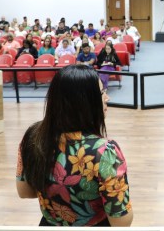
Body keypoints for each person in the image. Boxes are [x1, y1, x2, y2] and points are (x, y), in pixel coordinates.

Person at [16, 65, 133, 226]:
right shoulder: (105, 151)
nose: (107, 98)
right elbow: (121, 222)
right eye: (101, 92)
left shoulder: (32, 136)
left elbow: (25, 191)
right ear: (84, 102)